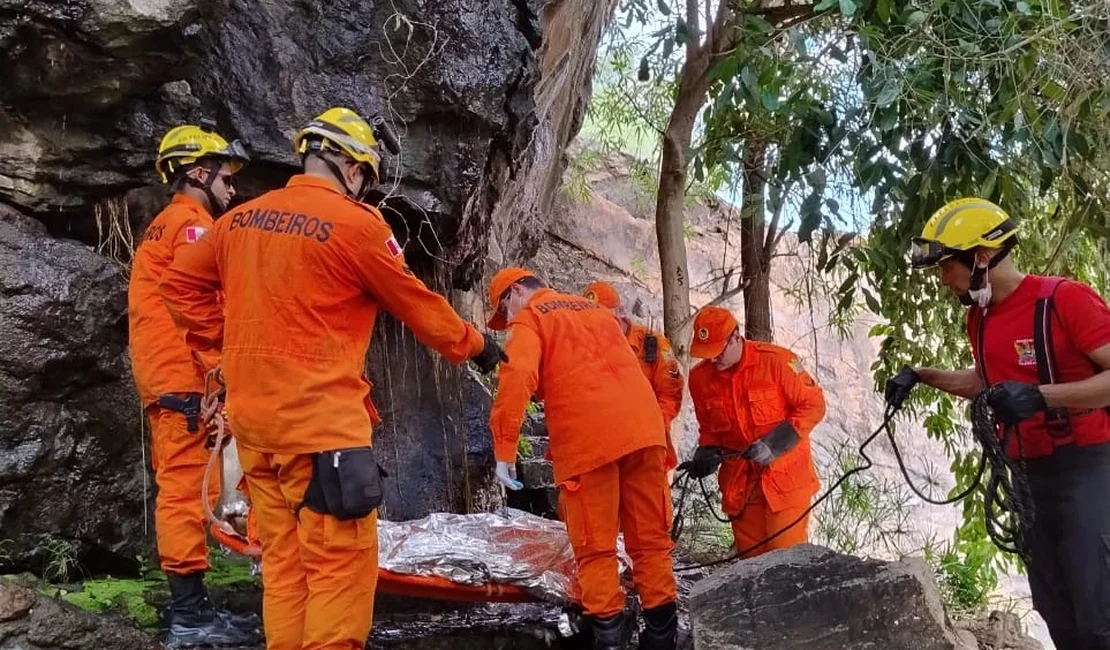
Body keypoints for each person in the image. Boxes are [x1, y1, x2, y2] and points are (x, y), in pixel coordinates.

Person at [159, 106, 506, 650]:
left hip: (255, 431)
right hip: (323, 436)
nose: (363, 189)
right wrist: (479, 345)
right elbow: (419, 307)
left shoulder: (240, 220)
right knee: (339, 574)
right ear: (350, 167)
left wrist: (223, 347)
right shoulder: (356, 226)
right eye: (364, 177)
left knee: (285, 568)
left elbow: (178, 284)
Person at [885, 197, 1110, 650]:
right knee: (1059, 612)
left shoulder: (1064, 300)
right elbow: (986, 382)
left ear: (982, 257)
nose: (943, 279)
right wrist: (923, 375)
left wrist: (1040, 397)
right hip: (1030, 478)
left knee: (1098, 616)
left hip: (1090, 469)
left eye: (947, 266)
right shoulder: (980, 318)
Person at [488, 268, 678, 650]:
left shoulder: (532, 318)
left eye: (504, 308)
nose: (507, 319)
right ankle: (663, 638)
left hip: (590, 441)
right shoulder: (596, 313)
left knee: (596, 549)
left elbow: (518, 375)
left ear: (518, 291)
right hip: (645, 432)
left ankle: (610, 640)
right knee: (651, 543)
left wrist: (504, 450)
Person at [128, 123, 254, 646]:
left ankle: (195, 607)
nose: (233, 187)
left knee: (187, 488)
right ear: (199, 173)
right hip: (184, 378)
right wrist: (220, 371)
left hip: (172, 377)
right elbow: (194, 305)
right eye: (226, 175)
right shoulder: (193, 227)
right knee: (182, 491)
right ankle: (189, 616)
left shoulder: (168, 224)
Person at [681, 306, 826, 558]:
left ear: (736, 337)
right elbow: (709, 431)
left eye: (718, 352)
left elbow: (814, 405)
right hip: (741, 485)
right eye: (708, 354)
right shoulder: (700, 379)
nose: (714, 360)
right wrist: (705, 455)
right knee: (751, 566)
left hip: (785, 481)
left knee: (785, 563)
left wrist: (776, 444)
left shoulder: (776, 362)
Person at [582, 281, 684, 468]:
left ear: (619, 313)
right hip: (606, 447)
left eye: (602, 319)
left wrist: (650, 428)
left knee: (646, 496)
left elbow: (671, 394)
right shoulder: (588, 349)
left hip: (647, 447)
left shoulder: (652, 344)